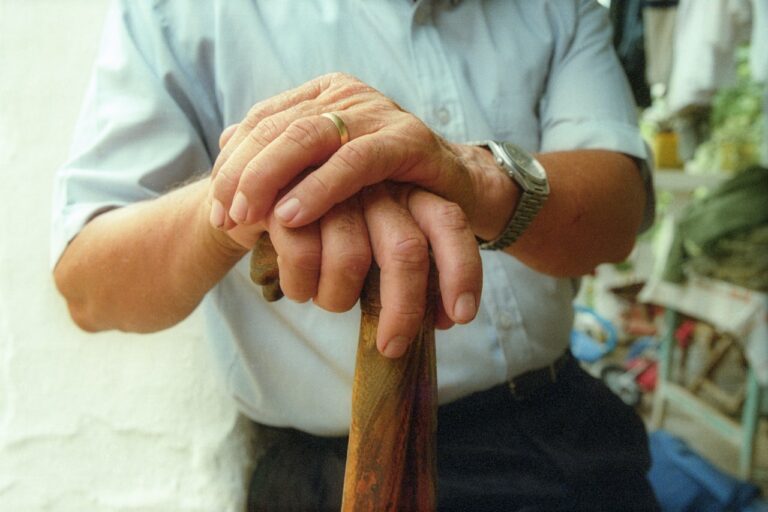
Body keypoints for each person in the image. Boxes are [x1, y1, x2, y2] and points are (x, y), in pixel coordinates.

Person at [52, 1, 660, 510]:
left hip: (563, 441)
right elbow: (88, 287)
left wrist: (473, 177)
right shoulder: (181, 13)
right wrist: (254, 187)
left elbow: (617, 217)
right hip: (321, 472)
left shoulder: (554, 6)